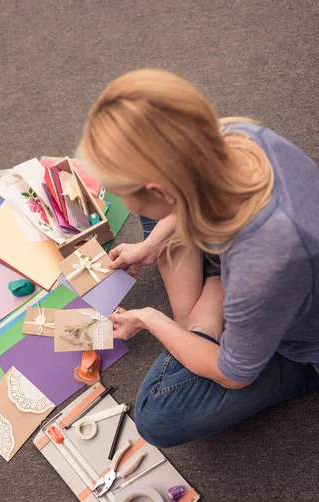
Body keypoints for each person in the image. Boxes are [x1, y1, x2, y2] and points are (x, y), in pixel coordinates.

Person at [77, 69, 319, 447]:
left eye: (120, 191)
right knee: (155, 218)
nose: (119, 200)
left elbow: (234, 375)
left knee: (157, 416)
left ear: (161, 189)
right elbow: (178, 202)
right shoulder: (237, 135)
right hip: (257, 268)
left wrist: (148, 318)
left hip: (300, 343)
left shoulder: (263, 267)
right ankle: (205, 311)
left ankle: (209, 305)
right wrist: (147, 248)